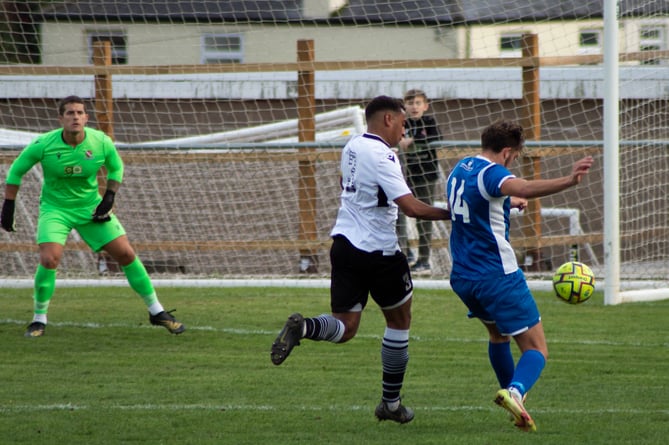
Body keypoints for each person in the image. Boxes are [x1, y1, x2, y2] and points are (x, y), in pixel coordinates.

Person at [270, 95, 451, 424]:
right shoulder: (383, 154)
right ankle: (391, 403)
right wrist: (455, 213)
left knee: (346, 327)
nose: (403, 128)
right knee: (398, 322)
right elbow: (411, 207)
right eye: (401, 121)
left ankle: (306, 327)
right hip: (379, 251)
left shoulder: (351, 146)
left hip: (344, 245)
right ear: (387, 120)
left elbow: (346, 184)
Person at [445, 120, 593, 432]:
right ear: (508, 152)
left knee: (498, 335)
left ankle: (514, 402)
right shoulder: (494, 172)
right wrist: (569, 180)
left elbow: (472, 205)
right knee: (536, 349)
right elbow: (523, 186)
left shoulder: (462, 168)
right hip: (497, 276)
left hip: (463, 277)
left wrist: (506, 202)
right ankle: (515, 391)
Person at [0, 95, 185, 338]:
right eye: (69, 113)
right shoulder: (44, 144)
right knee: (49, 260)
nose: (75, 117)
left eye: (79, 113)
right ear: (60, 119)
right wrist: (8, 205)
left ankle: (157, 311)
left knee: (126, 254)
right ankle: (38, 320)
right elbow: (16, 171)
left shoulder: (100, 141)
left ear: (86, 117)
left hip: (90, 207)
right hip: (55, 210)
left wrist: (109, 197)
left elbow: (116, 167)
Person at [396, 89, 441, 275]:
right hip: (406, 176)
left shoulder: (429, 122)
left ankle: (424, 260)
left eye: (418, 103)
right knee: (398, 213)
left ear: (425, 106)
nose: (414, 107)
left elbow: (436, 137)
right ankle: (406, 254)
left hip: (426, 176)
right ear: (404, 106)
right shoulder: (402, 123)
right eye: (410, 103)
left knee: (424, 217)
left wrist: (411, 141)